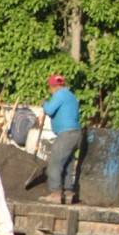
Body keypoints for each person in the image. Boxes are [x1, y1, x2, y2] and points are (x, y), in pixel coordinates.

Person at [39, 74, 82, 204]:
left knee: (54, 163)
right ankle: (68, 192)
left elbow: (50, 110)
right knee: (67, 163)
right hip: (76, 134)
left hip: (66, 134)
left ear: (53, 87)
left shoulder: (59, 94)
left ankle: (55, 193)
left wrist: (44, 103)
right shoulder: (71, 95)